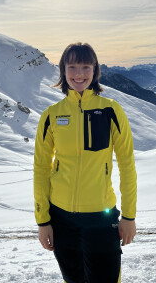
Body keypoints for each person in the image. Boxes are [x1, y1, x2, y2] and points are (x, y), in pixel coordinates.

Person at [33, 42, 137, 283]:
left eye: (85, 67)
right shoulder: (51, 115)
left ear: (95, 70)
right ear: (63, 70)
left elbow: (127, 165)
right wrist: (43, 220)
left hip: (101, 220)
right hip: (61, 221)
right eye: (72, 66)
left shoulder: (111, 110)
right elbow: (41, 168)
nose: (78, 74)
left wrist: (129, 216)